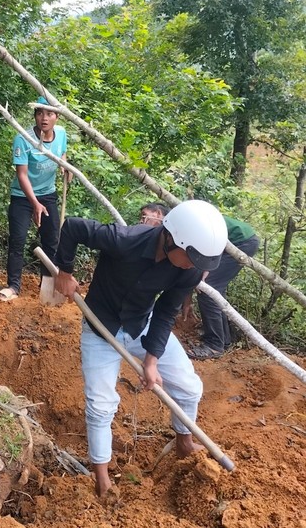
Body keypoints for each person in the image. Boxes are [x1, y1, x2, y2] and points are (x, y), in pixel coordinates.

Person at [54, 200, 228, 496]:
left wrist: (152, 359)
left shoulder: (188, 270)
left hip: (141, 324)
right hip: (101, 327)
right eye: (190, 258)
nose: (193, 266)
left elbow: (165, 311)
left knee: (189, 387)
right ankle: (102, 478)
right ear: (172, 238)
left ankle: (184, 443)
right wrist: (64, 272)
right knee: (100, 406)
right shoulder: (125, 240)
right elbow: (72, 227)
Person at [0, 96, 70, 302]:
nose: (44, 118)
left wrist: (65, 166)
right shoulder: (23, 139)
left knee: (52, 240)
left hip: (48, 194)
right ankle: (13, 286)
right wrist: (34, 204)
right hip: (22, 196)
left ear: (56, 116)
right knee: (18, 239)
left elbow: (61, 153)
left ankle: (47, 286)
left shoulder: (62, 133)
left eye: (49, 113)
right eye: (39, 113)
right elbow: (22, 175)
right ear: (35, 116)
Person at [185, 216, 259, 360]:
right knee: (215, 290)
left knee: (207, 289)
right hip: (240, 240)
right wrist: (187, 301)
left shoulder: (185, 223)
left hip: (240, 242)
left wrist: (207, 268)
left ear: (158, 213)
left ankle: (214, 345)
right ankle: (224, 339)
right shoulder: (186, 220)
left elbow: (212, 238)